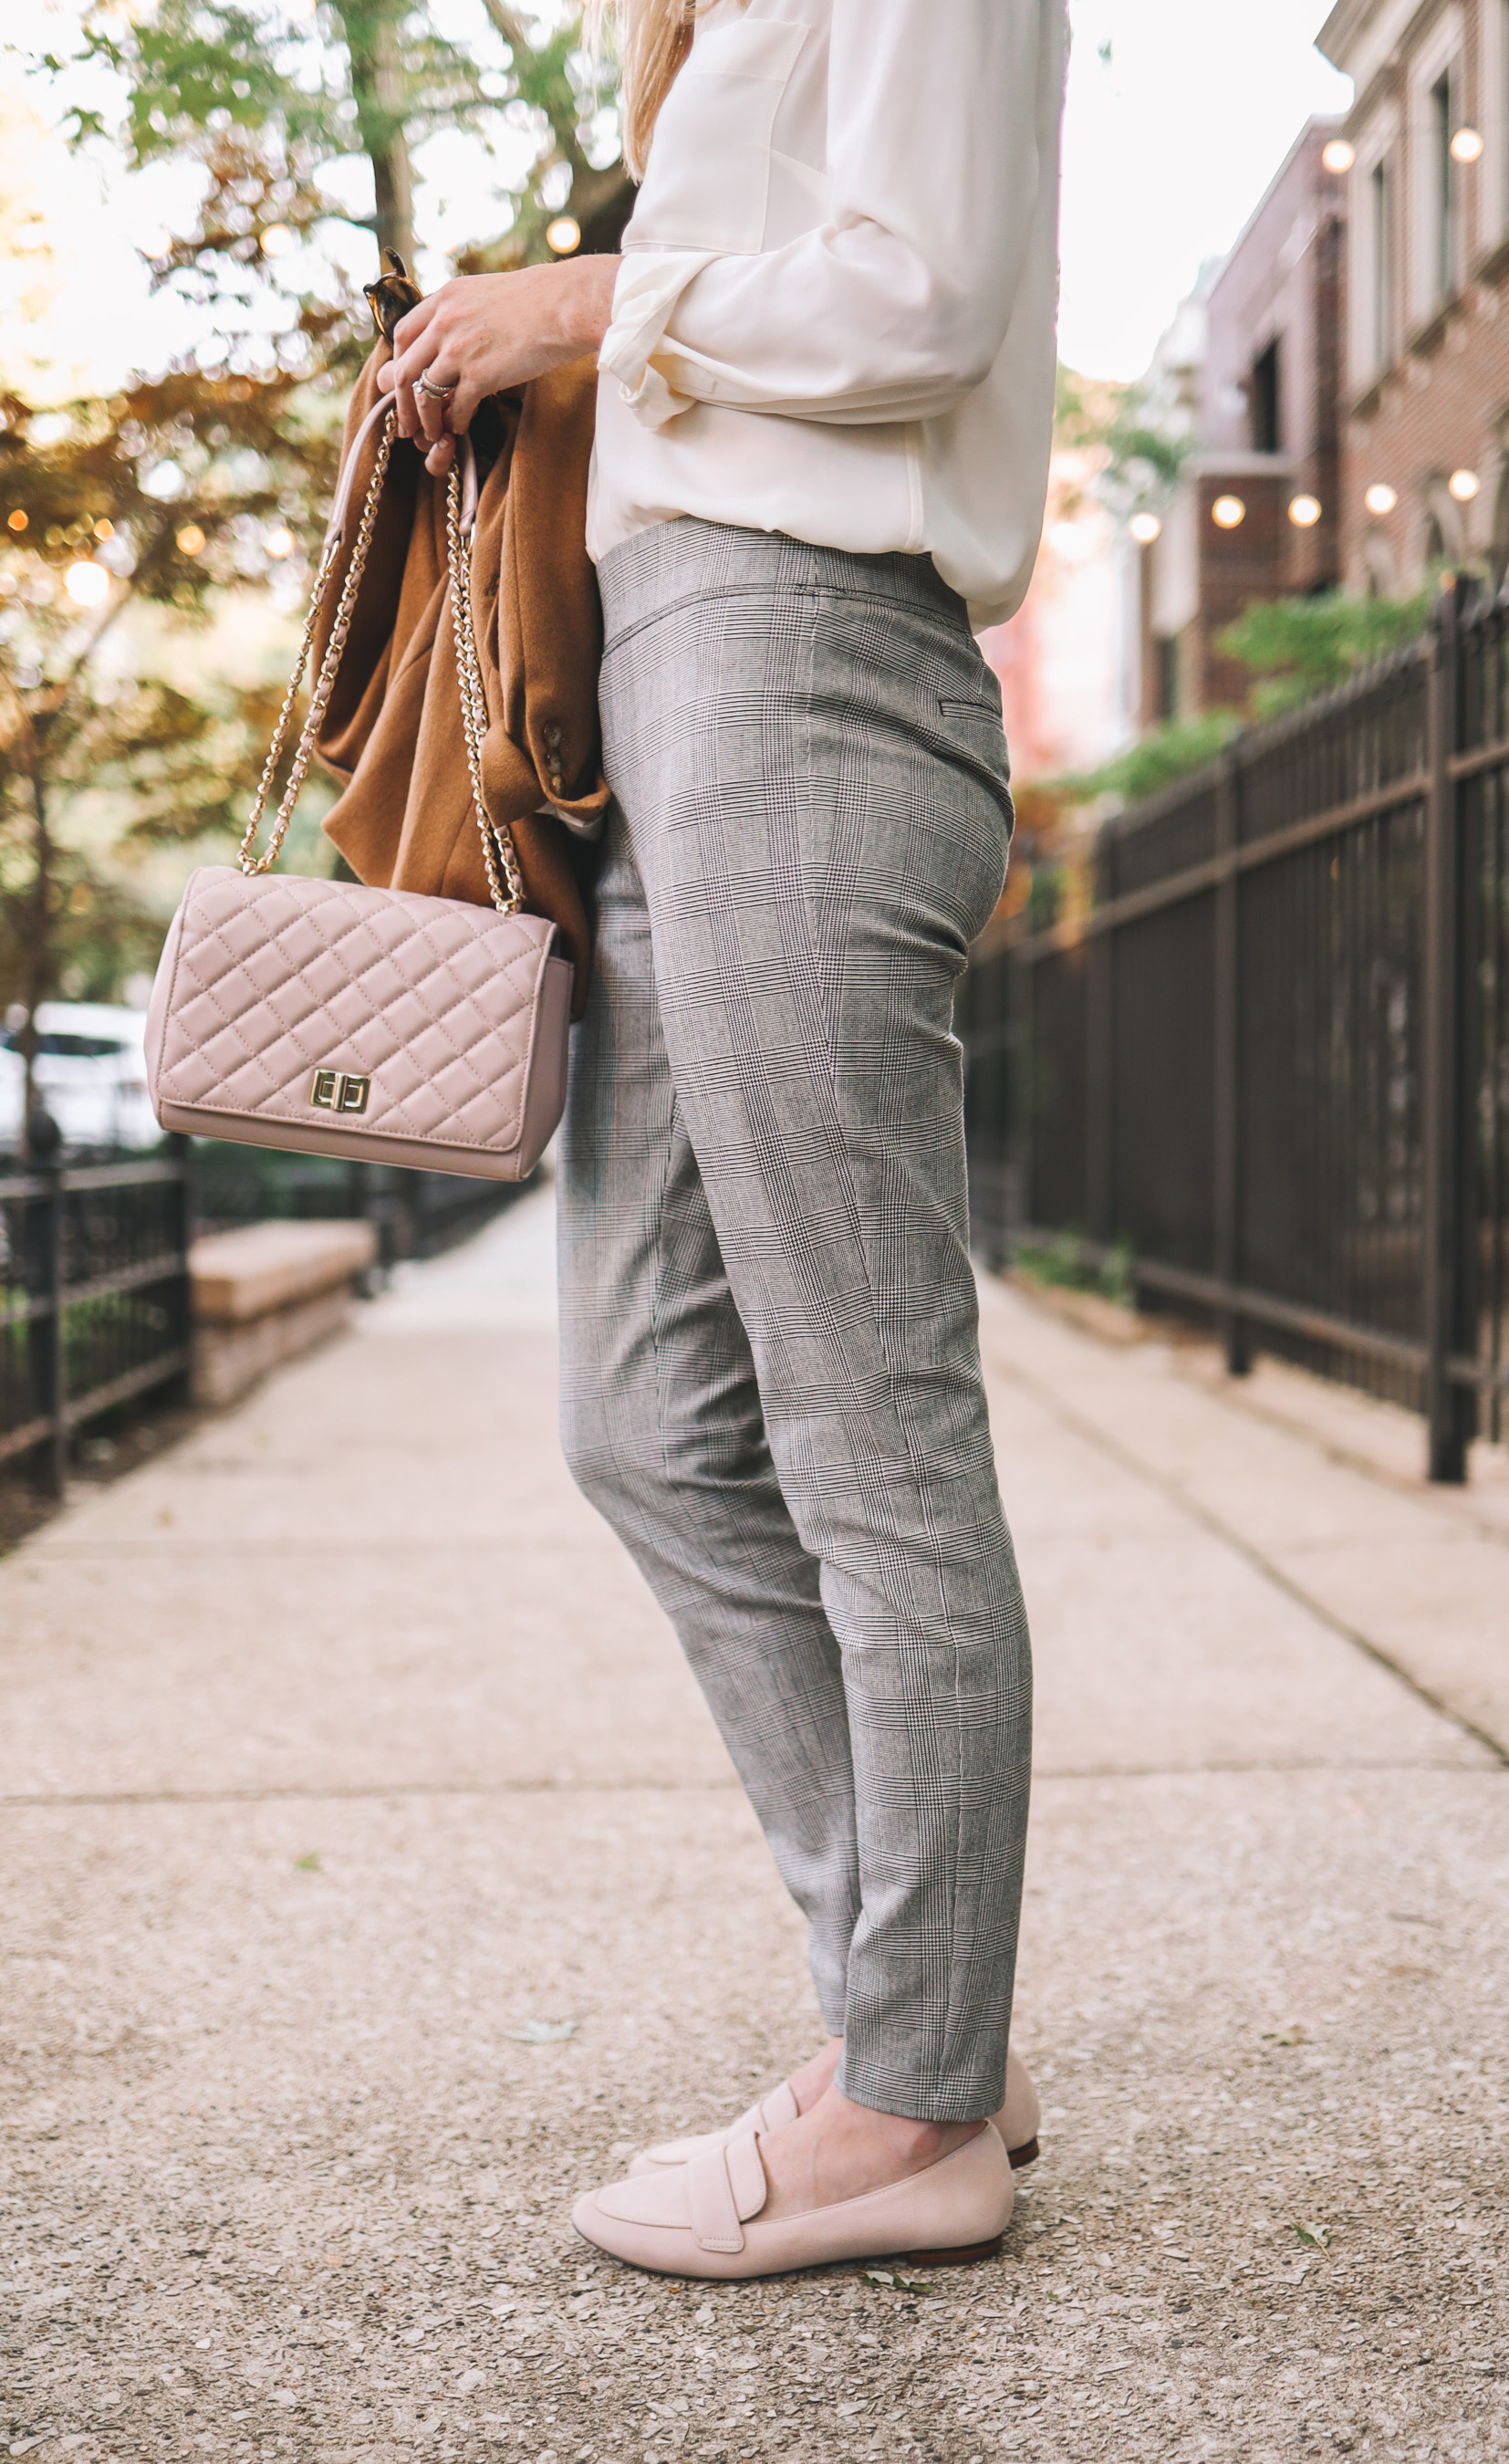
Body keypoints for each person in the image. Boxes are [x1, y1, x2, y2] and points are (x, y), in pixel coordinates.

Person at [380, 0, 1066, 2281]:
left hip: (807, 664)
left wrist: (585, 303)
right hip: (680, 679)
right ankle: (927, 2002)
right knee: (650, 1415)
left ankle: (912, 2109)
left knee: (866, 1420)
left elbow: (920, 295)